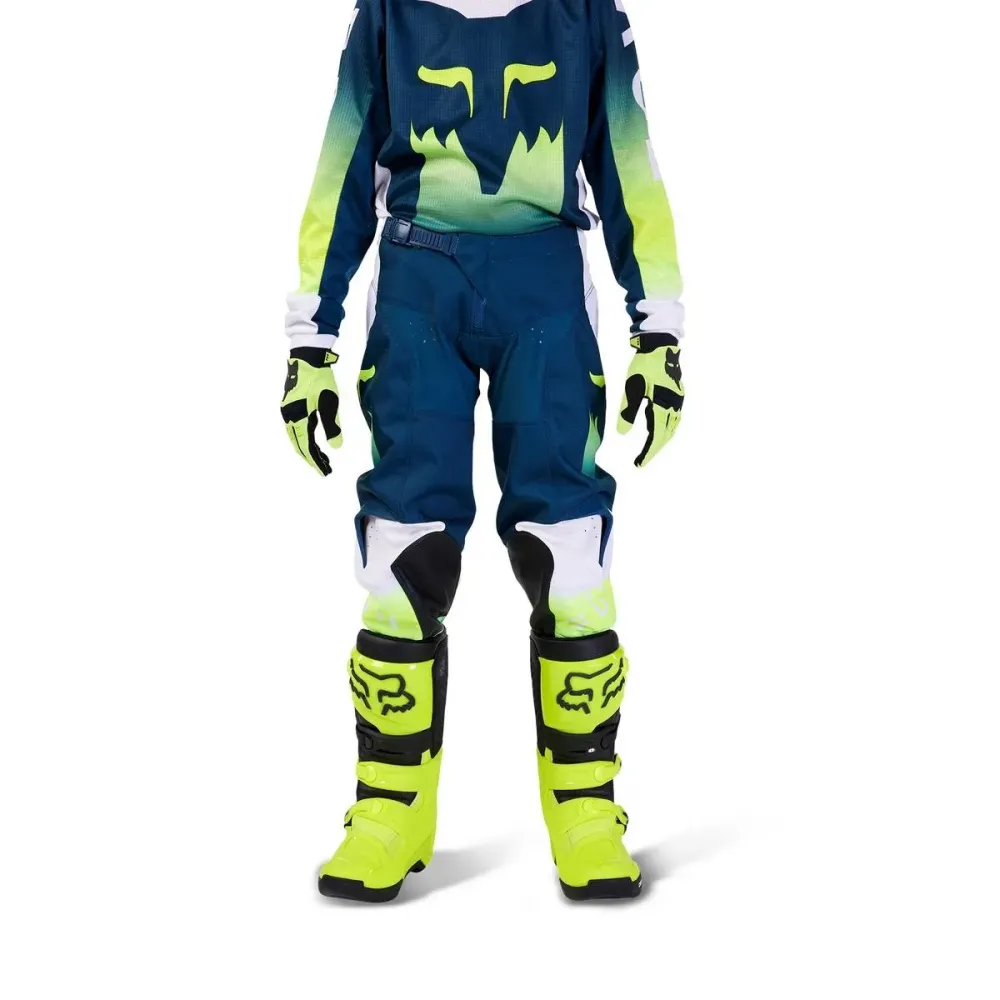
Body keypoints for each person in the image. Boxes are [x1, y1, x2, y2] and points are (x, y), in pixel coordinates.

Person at [280, 0, 685, 902]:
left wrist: (658, 324)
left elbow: (627, 158)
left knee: (567, 545)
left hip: (544, 286)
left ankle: (585, 809)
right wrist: (312, 335)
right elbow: (343, 160)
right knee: (403, 541)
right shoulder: (387, 12)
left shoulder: (587, 13)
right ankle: (390, 808)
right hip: (417, 284)